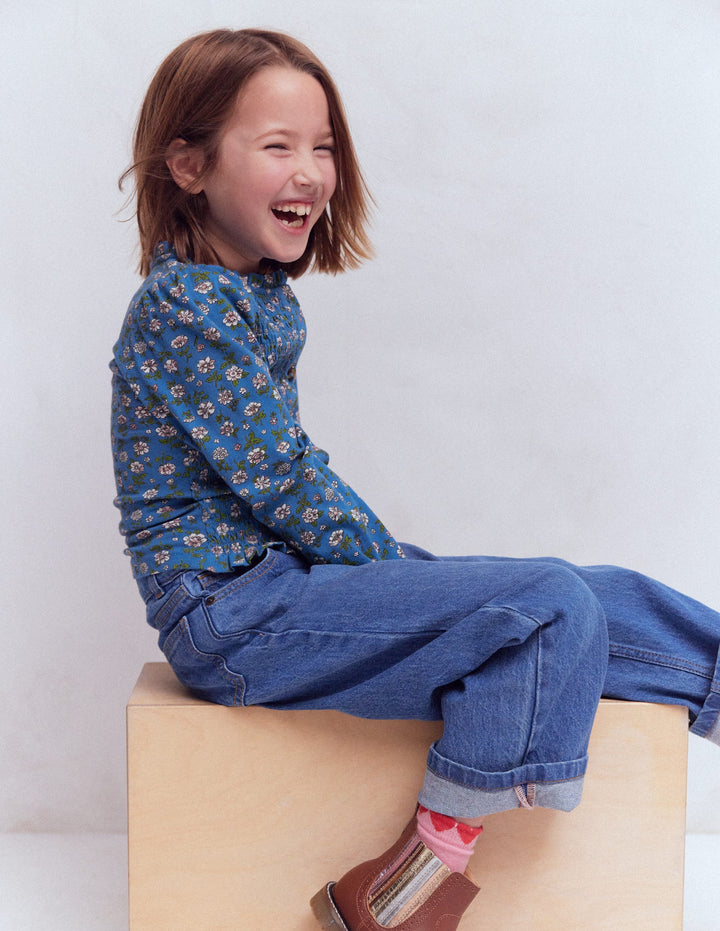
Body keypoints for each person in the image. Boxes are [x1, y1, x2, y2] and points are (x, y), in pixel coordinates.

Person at [110, 28, 720, 930]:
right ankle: (413, 879)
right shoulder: (185, 304)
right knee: (547, 599)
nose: (312, 172)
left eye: (322, 146)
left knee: (599, 598)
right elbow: (283, 480)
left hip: (280, 584)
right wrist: (389, 568)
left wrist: (394, 573)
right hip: (230, 613)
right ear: (189, 163)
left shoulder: (252, 292)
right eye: (278, 146)